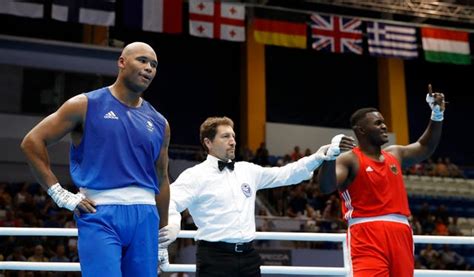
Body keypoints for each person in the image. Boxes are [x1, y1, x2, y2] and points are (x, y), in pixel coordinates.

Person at [20, 42, 170, 276]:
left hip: (146, 217)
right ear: (122, 62)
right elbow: (32, 142)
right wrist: (59, 195)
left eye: (154, 65)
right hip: (100, 213)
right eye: (142, 60)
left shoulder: (160, 122)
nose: (149, 68)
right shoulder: (85, 105)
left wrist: (161, 236)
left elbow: (161, 179)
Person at [158, 116, 354, 276]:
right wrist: (173, 224)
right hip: (214, 258)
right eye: (225, 136)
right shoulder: (195, 176)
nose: (233, 141)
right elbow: (170, 202)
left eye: (233, 136)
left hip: (249, 256)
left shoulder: (247, 170)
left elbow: (286, 174)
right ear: (208, 142)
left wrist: (319, 156)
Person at [318, 85, 446, 277]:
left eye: (383, 122)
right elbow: (326, 187)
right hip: (366, 233)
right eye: (377, 123)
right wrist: (329, 157)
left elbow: (425, 147)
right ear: (361, 130)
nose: (384, 126)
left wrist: (436, 115)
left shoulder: (395, 154)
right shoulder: (349, 159)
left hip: (401, 232)